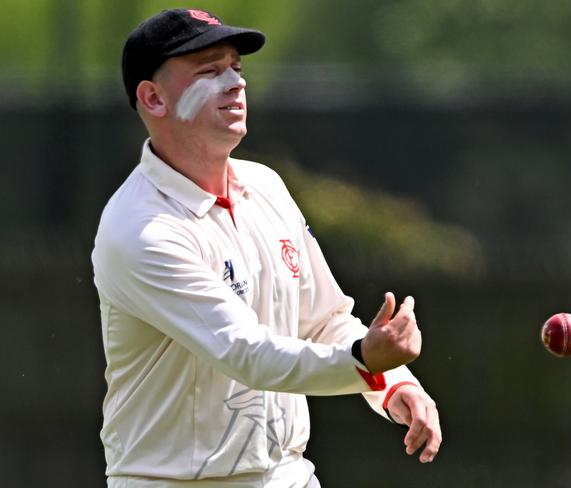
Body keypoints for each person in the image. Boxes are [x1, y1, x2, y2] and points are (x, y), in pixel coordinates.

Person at [92, 8, 442, 487]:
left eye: (237, 67)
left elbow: (323, 321)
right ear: (153, 98)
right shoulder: (142, 229)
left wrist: (394, 384)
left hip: (288, 476)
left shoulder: (266, 187)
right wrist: (364, 359)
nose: (235, 82)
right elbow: (247, 354)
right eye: (210, 71)